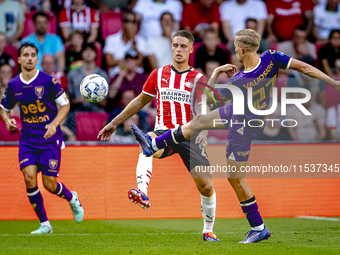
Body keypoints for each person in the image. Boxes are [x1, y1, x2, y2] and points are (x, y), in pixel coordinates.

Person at [131, 29, 340, 243]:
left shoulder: (237, 82)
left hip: (242, 122)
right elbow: (304, 67)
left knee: (200, 122)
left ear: (241, 49)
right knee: (235, 178)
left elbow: (205, 101)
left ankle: (153, 144)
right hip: (253, 120)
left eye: (235, 49)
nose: (235, 53)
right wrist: (332, 81)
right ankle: (258, 228)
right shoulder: (272, 57)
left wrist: (214, 75)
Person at [98, 30, 220, 242]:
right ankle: (142, 191)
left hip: (188, 134)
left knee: (207, 187)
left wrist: (204, 132)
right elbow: (139, 101)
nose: (179, 49)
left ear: (191, 49)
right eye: (175, 45)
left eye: (183, 46)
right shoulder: (158, 74)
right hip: (164, 131)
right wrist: (114, 122)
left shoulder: (198, 78)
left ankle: (208, 230)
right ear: (171, 47)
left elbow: (203, 108)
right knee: (147, 144)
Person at [0, 42, 84, 234]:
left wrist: (54, 124)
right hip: (28, 138)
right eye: (25, 55)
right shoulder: (13, 85)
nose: (29, 58)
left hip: (49, 139)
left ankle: (72, 198)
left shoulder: (49, 81)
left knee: (50, 184)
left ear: (37, 59)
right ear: (19, 59)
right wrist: (7, 120)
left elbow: (65, 106)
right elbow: (4, 109)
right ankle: (45, 224)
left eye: (32, 55)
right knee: (29, 178)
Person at [103, 11, 147, 78]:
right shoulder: (111, 39)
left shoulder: (141, 40)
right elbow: (109, 61)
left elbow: (139, 62)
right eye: (128, 21)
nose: (130, 24)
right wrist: (130, 62)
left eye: (133, 21)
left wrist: (133, 39)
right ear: (122, 22)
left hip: (135, 77)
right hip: (116, 76)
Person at [67, 42, 108, 112]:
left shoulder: (102, 75)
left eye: (91, 51)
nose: (88, 53)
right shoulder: (72, 74)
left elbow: (106, 103)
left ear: (95, 54)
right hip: (78, 112)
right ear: (82, 53)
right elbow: (68, 100)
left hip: (98, 113)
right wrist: (78, 100)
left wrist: (94, 98)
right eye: (86, 50)